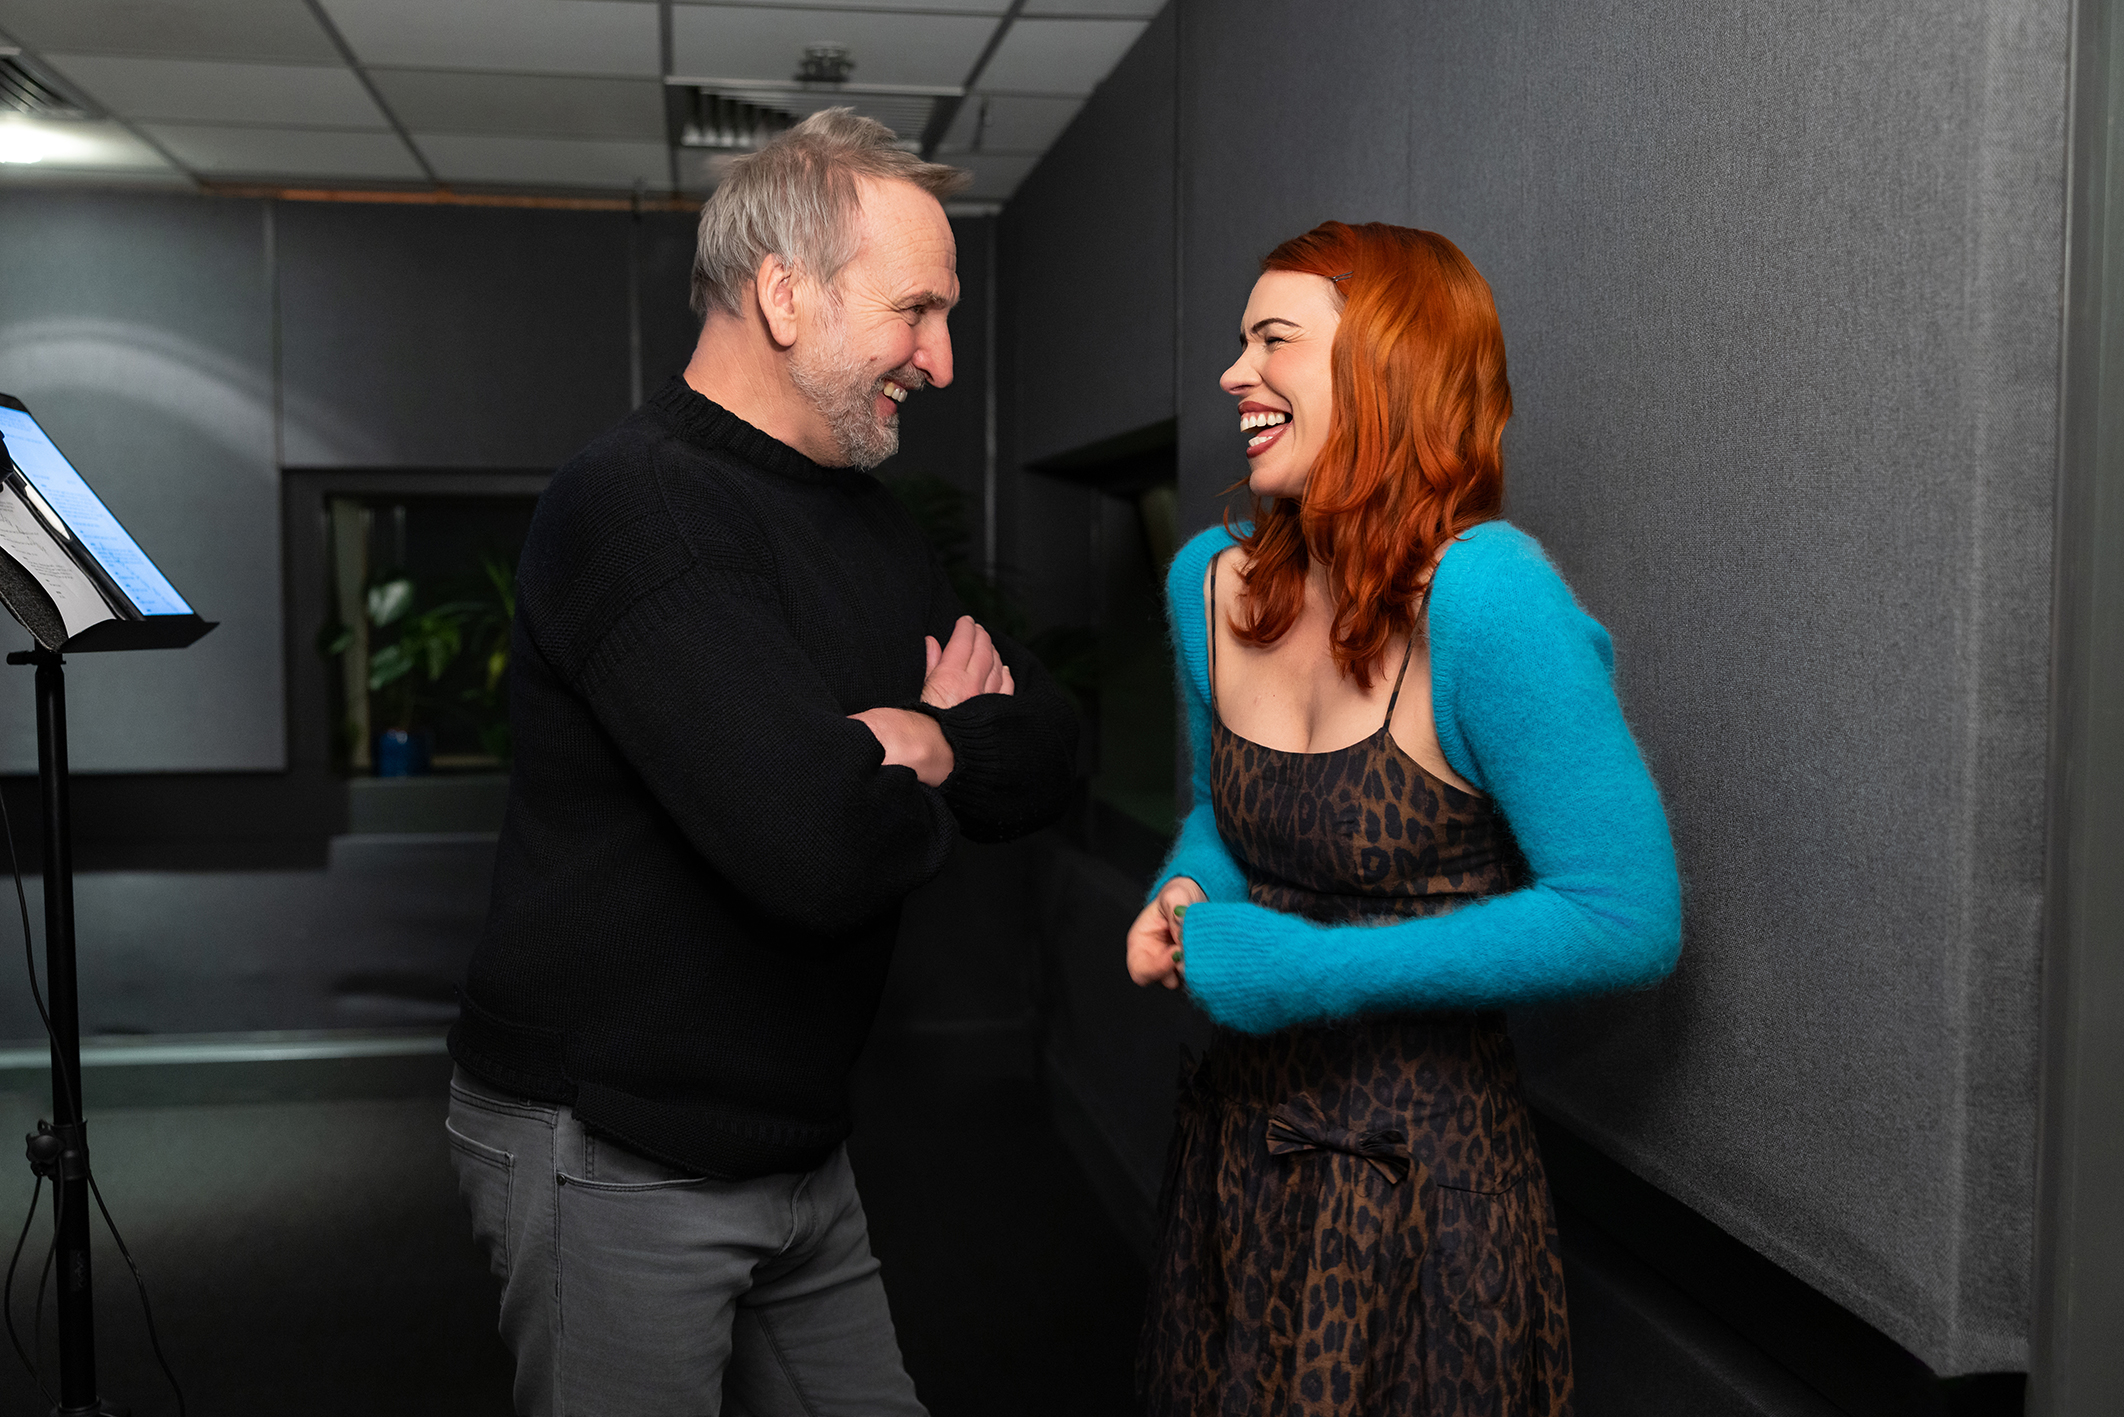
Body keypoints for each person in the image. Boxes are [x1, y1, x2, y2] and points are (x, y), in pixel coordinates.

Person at [445, 109, 1077, 1416]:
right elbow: (815, 844)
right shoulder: (638, 505)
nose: (942, 360)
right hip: (616, 1145)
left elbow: (1053, 746)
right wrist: (913, 752)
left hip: (797, 1144)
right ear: (785, 294)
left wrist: (919, 739)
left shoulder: (867, 522)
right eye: (916, 311)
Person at [1126, 221, 1682, 1416]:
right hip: (1238, 1152)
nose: (1233, 372)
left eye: (1272, 339)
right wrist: (1185, 893)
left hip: (1422, 1183)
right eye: (1239, 340)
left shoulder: (1490, 597)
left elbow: (1626, 915)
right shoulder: (1208, 583)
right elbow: (1222, 818)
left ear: (1385, 365)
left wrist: (1312, 971)